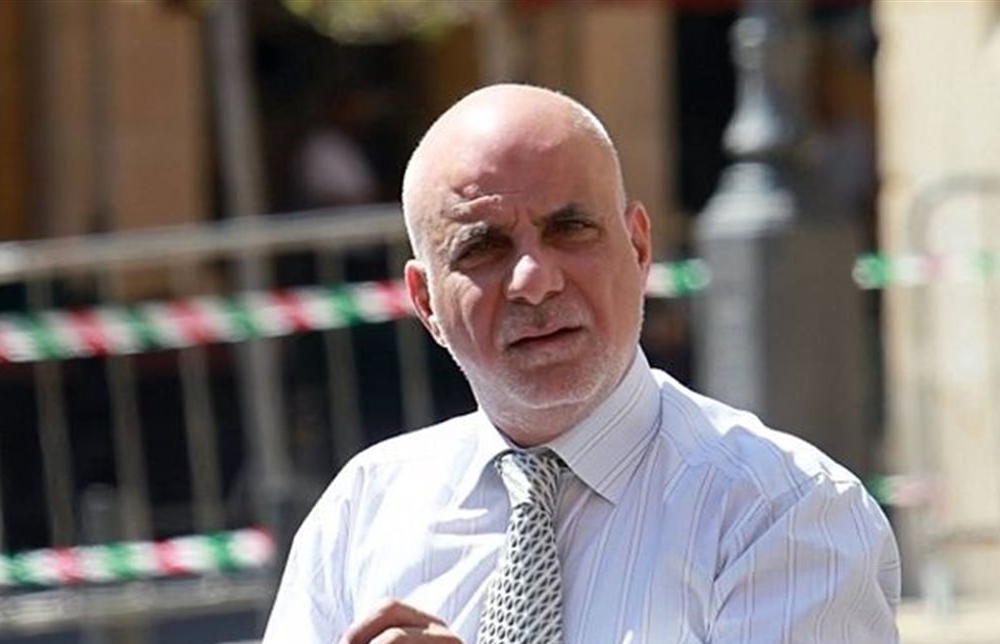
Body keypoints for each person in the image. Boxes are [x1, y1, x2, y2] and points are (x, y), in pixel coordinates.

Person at [263, 84, 899, 643]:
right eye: (483, 247)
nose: (534, 280)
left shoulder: (781, 512)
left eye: (570, 230)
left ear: (639, 248)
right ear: (426, 301)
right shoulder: (365, 511)